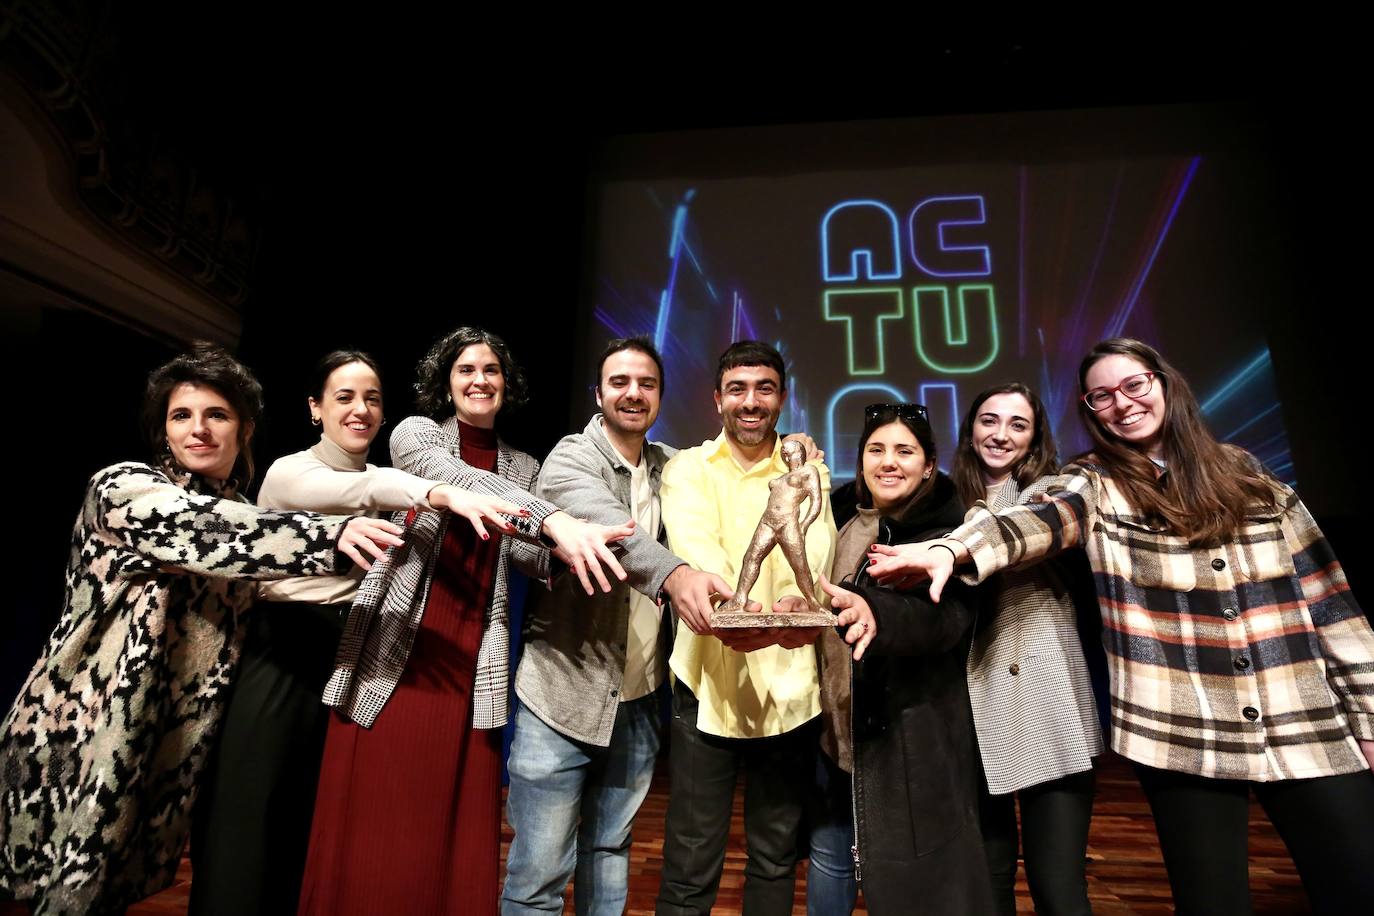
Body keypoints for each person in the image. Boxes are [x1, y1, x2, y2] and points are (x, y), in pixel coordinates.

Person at [868, 338, 1374, 916]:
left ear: (1165, 384)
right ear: (1089, 410)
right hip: (1184, 730)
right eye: (1102, 395)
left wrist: (1369, 713)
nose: (1123, 403)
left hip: (1305, 720)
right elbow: (1037, 520)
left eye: (1135, 385)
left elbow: (1332, 604)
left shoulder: (1253, 477)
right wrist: (949, 551)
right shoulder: (1091, 482)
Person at [0, 343, 402, 916]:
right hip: (82, 738)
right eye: (181, 416)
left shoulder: (237, 502)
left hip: (164, 740)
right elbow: (206, 532)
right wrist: (326, 536)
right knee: (69, 894)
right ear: (162, 430)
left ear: (244, 428)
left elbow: (236, 527)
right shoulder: (122, 488)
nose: (199, 430)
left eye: (218, 415)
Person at [297, 328, 633, 916]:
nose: (480, 380)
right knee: (384, 815)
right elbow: (461, 484)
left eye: (492, 371)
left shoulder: (526, 465)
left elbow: (525, 554)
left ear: (507, 384)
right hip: (402, 651)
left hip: (475, 655)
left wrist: (573, 550)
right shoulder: (415, 435)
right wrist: (554, 520)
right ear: (446, 383)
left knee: (448, 814)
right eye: (466, 370)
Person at [190, 350, 523, 916]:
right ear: (315, 408)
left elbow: (382, 490)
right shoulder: (293, 471)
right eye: (344, 397)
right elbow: (354, 494)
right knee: (253, 814)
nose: (360, 409)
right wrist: (440, 492)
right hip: (284, 651)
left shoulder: (386, 479)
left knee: (313, 819)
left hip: (353, 651)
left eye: (371, 398)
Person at [500, 337, 740, 915]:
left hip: (637, 700)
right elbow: (611, 527)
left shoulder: (670, 467)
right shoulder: (570, 459)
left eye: (647, 384)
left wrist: (795, 453)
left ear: (660, 395)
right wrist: (677, 575)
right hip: (562, 692)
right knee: (539, 874)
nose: (634, 393)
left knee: (610, 851)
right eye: (620, 382)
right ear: (599, 393)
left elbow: (728, 482)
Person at [655, 340, 836, 916]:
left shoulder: (808, 468)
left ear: (782, 398)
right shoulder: (687, 468)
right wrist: (737, 610)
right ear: (717, 400)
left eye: (764, 388)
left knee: (776, 856)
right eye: (737, 389)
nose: (750, 402)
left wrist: (793, 603)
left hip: (790, 687)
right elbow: (693, 546)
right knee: (689, 860)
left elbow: (819, 542)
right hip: (705, 684)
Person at [807, 403, 995, 915]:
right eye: (876, 449)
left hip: (906, 736)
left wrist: (879, 613)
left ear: (929, 464)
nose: (889, 462)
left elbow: (946, 621)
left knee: (913, 882)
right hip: (830, 732)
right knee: (829, 858)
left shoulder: (950, 531)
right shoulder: (837, 515)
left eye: (905, 451)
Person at [950, 383, 1103, 916]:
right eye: (989, 421)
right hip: (972, 709)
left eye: (1018, 424)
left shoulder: (1055, 491)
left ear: (1035, 437)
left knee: (1056, 884)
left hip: (1049, 701)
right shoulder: (946, 498)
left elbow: (1011, 534)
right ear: (970, 430)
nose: (1000, 434)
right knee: (987, 881)